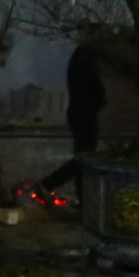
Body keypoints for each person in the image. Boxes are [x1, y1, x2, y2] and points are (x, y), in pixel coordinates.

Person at [34, 42, 106, 202]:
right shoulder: (87, 59)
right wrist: (100, 99)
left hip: (79, 112)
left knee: (83, 158)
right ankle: (48, 184)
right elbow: (95, 88)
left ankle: (82, 199)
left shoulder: (79, 58)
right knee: (84, 158)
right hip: (85, 114)